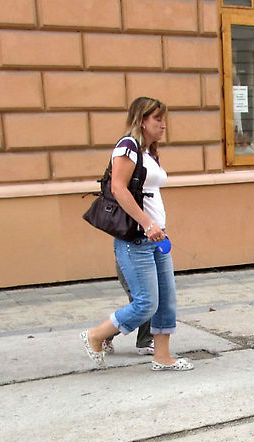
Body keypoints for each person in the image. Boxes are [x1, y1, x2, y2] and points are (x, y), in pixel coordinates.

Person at [81, 97, 193, 372]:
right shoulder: (127, 147)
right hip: (137, 239)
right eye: (157, 119)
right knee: (146, 303)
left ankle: (162, 357)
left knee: (166, 300)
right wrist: (147, 224)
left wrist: (158, 228)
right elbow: (119, 189)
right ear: (142, 120)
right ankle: (96, 335)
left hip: (157, 237)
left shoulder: (148, 152)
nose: (163, 125)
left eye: (164, 119)